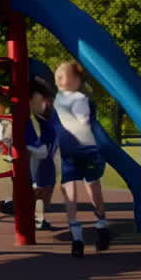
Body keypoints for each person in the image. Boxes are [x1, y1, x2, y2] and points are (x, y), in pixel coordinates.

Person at [53, 60, 111, 257]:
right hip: (69, 154)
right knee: (69, 193)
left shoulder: (80, 99)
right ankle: (76, 238)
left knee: (93, 188)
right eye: (57, 75)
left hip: (87, 151)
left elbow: (82, 123)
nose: (59, 78)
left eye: (64, 75)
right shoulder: (58, 100)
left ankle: (102, 225)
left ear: (76, 80)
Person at [0, 77, 61, 230]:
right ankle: (18, 207)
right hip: (37, 160)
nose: (47, 103)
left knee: (45, 190)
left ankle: (35, 217)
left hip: (44, 159)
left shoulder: (44, 120)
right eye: (42, 99)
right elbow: (24, 142)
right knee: (38, 189)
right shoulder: (27, 120)